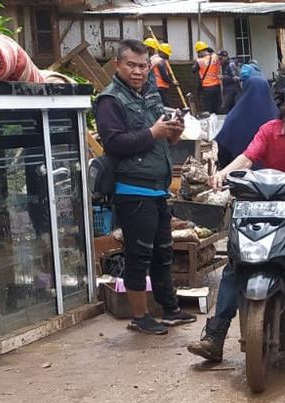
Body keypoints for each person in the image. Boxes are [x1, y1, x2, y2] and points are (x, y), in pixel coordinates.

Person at [188, 76, 285, 362]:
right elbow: (248, 158)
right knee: (236, 260)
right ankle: (215, 335)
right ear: (284, 102)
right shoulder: (269, 130)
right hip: (265, 205)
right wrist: (223, 173)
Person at [95, 38, 193, 335]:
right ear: (118, 65)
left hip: (157, 189)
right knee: (139, 256)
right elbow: (114, 143)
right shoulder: (109, 100)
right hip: (132, 190)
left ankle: (170, 308)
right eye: (132, 65)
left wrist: (172, 133)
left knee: (163, 251)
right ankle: (140, 317)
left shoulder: (148, 94)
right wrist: (153, 132)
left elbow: (160, 139)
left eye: (143, 66)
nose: (138, 72)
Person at [215, 71, 276, 167]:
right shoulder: (278, 118)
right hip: (274, 176)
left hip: (239, 174)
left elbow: (223, 152)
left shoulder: (233, 118)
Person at [144, 38, 178, 108]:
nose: (168, 56)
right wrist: (172, 82)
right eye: (167, 54)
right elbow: (164, 76)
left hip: (153, 86)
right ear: (162, 52)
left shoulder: (152, 59)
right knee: (166, 105)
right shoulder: (160, 61)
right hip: (161, 86)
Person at [195, 40, 222, 115]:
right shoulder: (215, 57)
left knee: (208, 108)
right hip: (217, 86)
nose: (198, 54)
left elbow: (193, 70)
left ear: (201, 51)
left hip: (207, 87)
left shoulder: (200, 61)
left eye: (198, 52)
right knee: (217, 106)